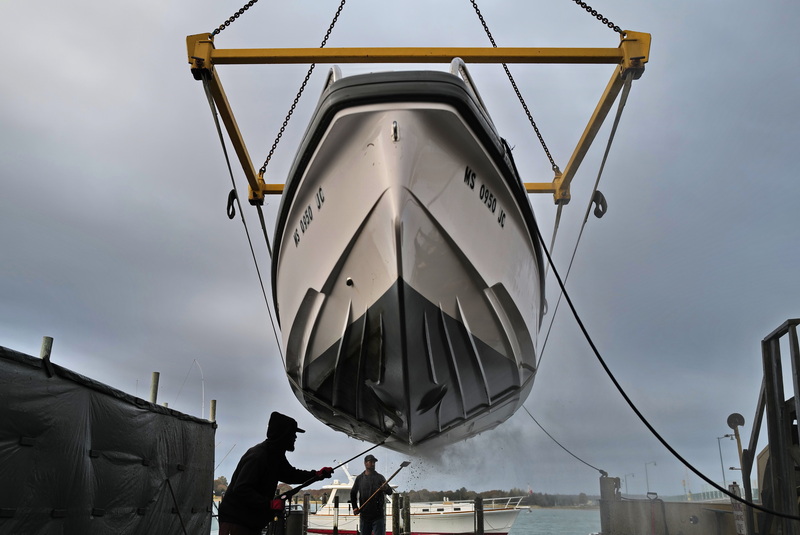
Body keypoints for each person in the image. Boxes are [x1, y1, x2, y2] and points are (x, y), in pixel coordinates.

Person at [218, 412, 333, 535]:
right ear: (283, 435)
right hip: (236, 522)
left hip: (250, 523)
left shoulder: (275, 455)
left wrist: (316, 475)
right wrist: (269, 504)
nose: (295, 437)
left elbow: (290, 474)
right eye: (292, 433)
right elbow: (241, 489)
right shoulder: (258, 456)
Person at [350, 454, 393, 535]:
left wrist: (385, 488)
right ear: (365, 463)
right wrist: (355, 507)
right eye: (371, 462)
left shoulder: (380, 477)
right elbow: (353, 493)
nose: (373, 464)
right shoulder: (359, 479)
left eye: (374, 462)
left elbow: (390, 492)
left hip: (378, 516)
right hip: (364, 516)